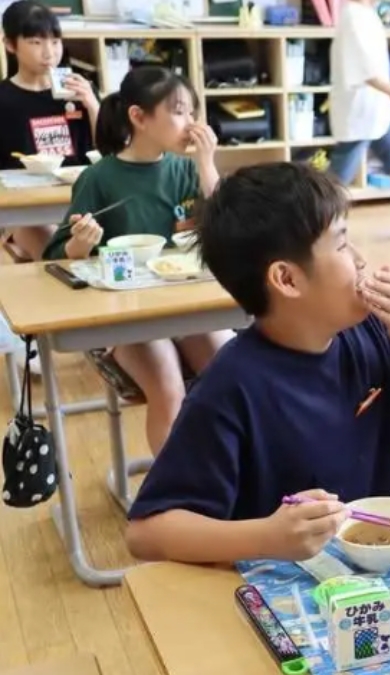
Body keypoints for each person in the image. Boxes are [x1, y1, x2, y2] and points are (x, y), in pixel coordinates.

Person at [124, 162, 390, 564]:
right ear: (287, 279)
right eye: (341, 244)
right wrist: (267, 536)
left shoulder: (370, 329)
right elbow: (145, 533)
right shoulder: (231, 386)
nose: (360, 259)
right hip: (304, 582)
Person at [41, 67, 229, 456]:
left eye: (193, 113)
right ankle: (174, 486)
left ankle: (224, 470)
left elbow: (231, 229)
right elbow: (56, 257)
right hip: (125, 316)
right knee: (168, 387)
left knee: (230, 372)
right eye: (179, 111)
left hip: (185, 303)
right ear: (139, 117)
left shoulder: (187, 168)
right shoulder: (99, 177)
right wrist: (80, 243)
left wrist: (207, 165)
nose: (191, 124)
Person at [0, 0, 99, 261]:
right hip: (26, 208)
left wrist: (92, 104)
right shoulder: (3, 98)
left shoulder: (79, 90)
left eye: (55, 42)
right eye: (36, 42)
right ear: (10, 44)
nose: (49, 53)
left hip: (80, 199)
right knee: (57, 252)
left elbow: (109, 150)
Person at [327, 0, 390, 238]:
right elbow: (364, 70)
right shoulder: (352, 16)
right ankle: (315, 223)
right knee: (339, 177)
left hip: (378, 108)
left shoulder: (367, 14)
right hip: (358, 110)